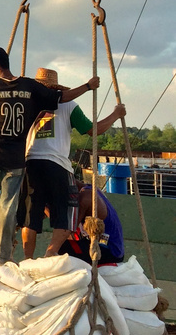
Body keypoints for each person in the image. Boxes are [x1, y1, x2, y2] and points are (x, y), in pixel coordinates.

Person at [0, 46, 98, 265]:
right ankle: (3, 256)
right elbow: (62, 97)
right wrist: (87, 86)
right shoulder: (32, 89)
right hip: (15, 158)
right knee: (8, 207)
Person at [21, 66, 126, 259]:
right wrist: (116, 115)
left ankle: (27, 258)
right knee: (66, 214)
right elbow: (94, 130)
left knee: (31, 218)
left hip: (30, 163)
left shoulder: (28, 105)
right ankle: (51, 252)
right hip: (57, 164)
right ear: (56, 88)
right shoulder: (68, 105)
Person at [60, 181, 124, 264]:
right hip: (113, 249)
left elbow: (67, 230)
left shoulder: (86, 198)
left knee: (61, 246)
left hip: (109, 251)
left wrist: (46, 207)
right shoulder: (91, 190)